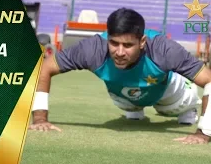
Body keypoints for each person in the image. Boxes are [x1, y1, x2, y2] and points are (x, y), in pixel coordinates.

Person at [29, 8, 211, 144]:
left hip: (168, 90)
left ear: (142, 42)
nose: (120, 52)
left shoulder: (164, 49)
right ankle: (135, 110)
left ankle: (188, 110)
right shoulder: (92, 49)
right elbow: (46, 67)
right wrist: (40, 119)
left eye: (127, 45)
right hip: (123, 94)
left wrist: (204, 132)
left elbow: (209, 80)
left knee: (171, 109)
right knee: (130, 112)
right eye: (114, 43)